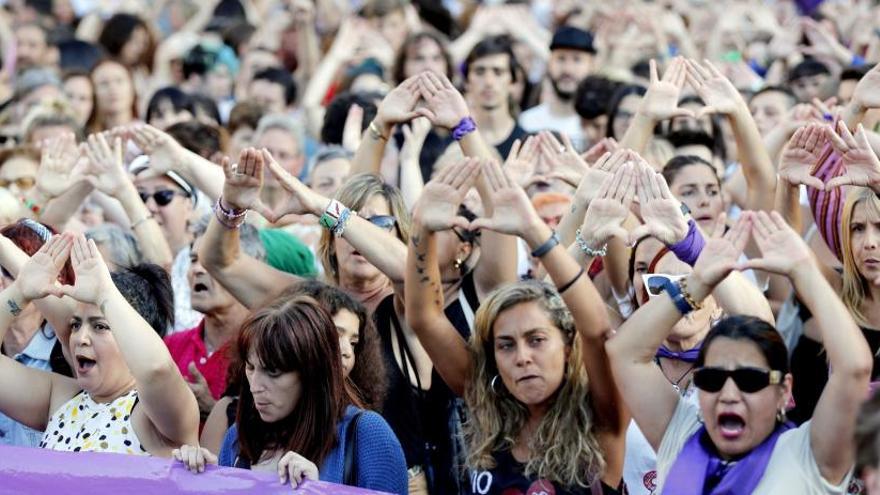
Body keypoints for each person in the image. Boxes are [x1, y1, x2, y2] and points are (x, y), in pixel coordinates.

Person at [405, 158, 628, 494]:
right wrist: (421, 230)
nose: (522, 357)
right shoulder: (487, 406)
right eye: (506, 345)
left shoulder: (599, 418)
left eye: (536, 339)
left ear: (567, 345)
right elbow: (424, 318)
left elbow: (596, 330)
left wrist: (533, 230)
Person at [607, 211, 870, 493]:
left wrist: (805, 272)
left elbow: (854, 368)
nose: (729, 395)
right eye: (712, 380)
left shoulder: (807, 454)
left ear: (783, 390)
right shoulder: (682, 434)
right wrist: (696, 283)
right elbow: (624, 352)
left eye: (750, 380)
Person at [172, 295, 406, 493]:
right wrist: (197, 479)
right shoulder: (236, 438)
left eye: (273, 371)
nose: (255, 385)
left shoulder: (367, 434)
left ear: (312, 372)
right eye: (250, 367)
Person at [0, 233, 199, 456]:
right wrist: (19, 293)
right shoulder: (60, 398)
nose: (80, 338)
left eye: (100, 327)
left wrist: (105, 294)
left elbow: (156, 368)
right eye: (76, 326)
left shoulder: (151, 415)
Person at [163, 217, 262, 421]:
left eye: (211, 260)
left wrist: (214, 410)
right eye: (193, 260)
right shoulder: (169, 347)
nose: (197, 269)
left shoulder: (267, 350)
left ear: (251, 271)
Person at [519, 26, 595, 151]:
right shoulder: (526, 122)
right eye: (561, 59)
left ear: (591, 65)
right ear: (549, 62)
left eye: (577, 60)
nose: (567, 69)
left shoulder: (599, 125)